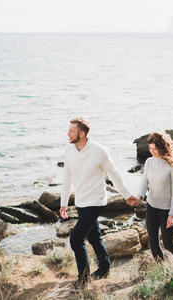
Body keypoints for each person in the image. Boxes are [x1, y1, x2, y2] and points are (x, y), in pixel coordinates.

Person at [59, 117, 137, 287]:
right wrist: (63, 203)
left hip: (96, 201)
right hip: (81, 201)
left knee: (76, 239)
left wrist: (126, 195)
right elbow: (67, 177)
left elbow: (114, 174)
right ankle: (104, 268)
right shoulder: (69, 151)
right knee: (94, 236)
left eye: (71, 131)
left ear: (82, 133)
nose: (67, 133)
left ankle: (84, 278)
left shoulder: (99, 151)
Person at [136, 132, 173, 265]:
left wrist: (172, 214)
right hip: (151, 207)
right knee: (153, 243)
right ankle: (162, 270)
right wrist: (139, 196)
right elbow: (144, 182)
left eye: (155, 149)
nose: (152, 152)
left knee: (168, 244)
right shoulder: (149, 162)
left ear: (162, 147)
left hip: (166, 210)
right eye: (150, 149)